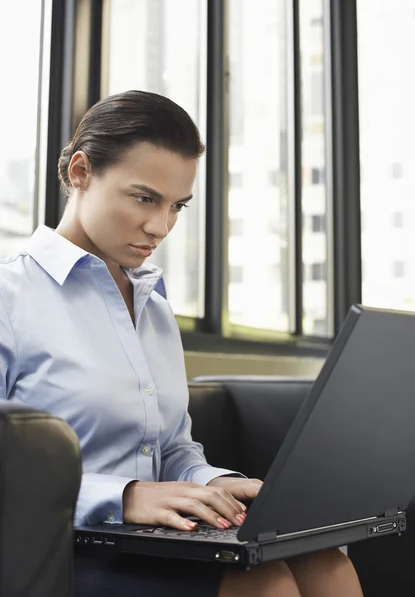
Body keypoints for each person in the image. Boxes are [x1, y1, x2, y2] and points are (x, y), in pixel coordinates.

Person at [0, 90, 363, 597]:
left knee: (324, 559)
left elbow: (171, 447)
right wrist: (120, 496)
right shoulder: (10, 298)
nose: (161, 226)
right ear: (81, 172)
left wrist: (212, 482)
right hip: (56, 550)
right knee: (268, 585)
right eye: (145, 198)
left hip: (154, 541)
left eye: (178, 206)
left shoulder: (154, 307)